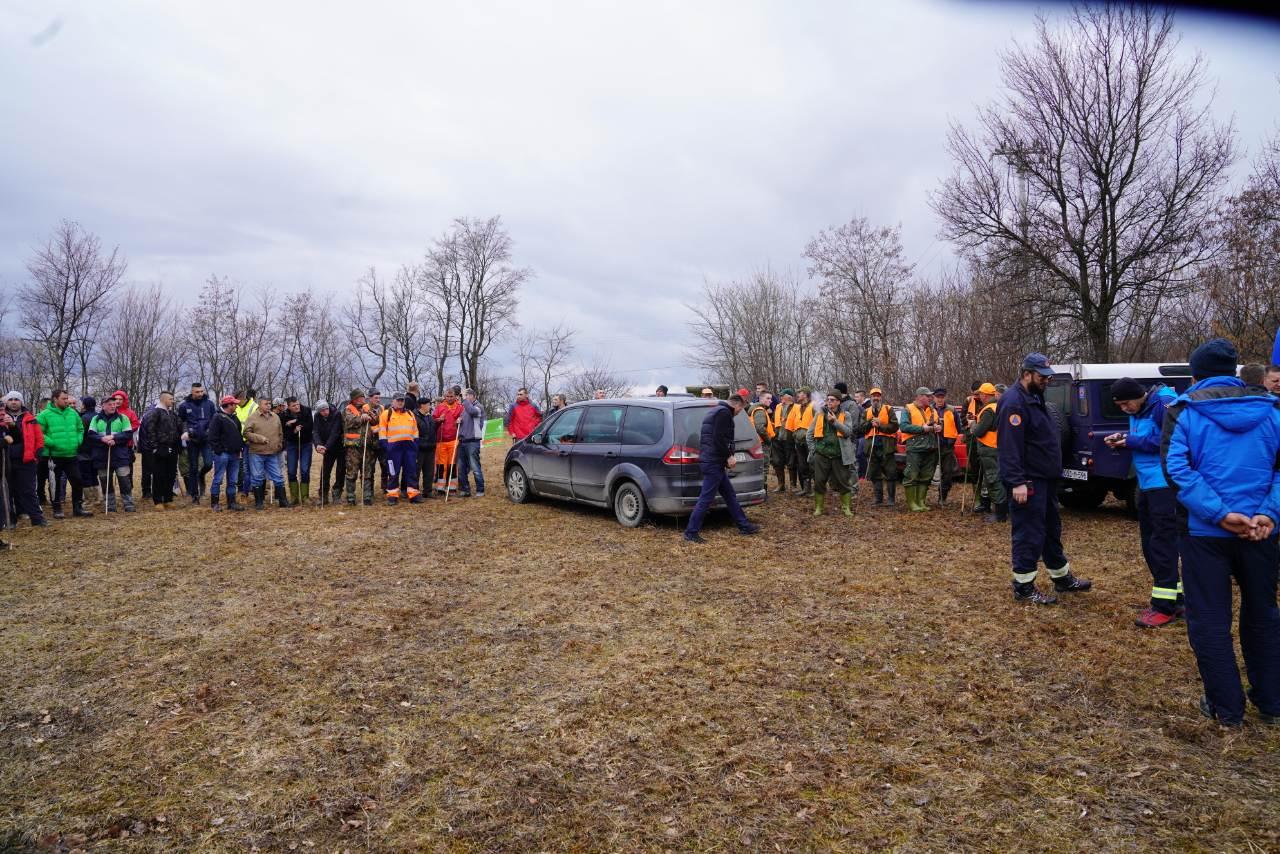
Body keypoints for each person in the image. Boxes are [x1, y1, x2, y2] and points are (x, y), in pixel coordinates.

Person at [1162, 338, 1280, 726]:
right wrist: (1267, 515)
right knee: (1263, 615)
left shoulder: (1183, 412)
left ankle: (1225, 708)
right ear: (1234, 373)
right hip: (1260, 534)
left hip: (1204, 534)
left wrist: (1220, 515)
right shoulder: (1272, 411)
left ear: (1194, 374)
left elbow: (1177, 471)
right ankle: (1271, 700)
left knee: (1210, 620)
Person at [999, 353, 1092, 604]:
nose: (1046, 381)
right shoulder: (1014, 403)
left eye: (1048, 376)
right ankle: (1024, 586)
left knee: (1051, 529)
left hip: (1046, 479)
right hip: (1028, 481)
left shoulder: (1035, 397)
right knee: (1029, 532)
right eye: (1042, 376)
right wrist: (1017, 481)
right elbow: (1009, 446)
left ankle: (1061, 578)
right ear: (1027, 373)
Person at [1104, 377, 1182, 628]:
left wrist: (1131, 441)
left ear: (1139, 395)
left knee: (1161, 544)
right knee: (1150, 543)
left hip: (1164, 485)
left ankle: (1164, 607)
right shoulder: (1141, 408)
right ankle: (1176, 597)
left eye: (1127, 403)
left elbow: (1168, 442)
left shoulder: (1163, 405)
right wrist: (1123, 438)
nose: (1125, 409)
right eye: (1120, 406)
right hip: (1147, 484)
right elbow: (1143, 438)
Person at [682, 394, 760, 543]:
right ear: (737, 405)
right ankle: (691, 532)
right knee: (706, 498)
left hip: (712, 461)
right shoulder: (724, 413)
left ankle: (744, 526)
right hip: (713, 462)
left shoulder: (716, 411)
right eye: (741, 409)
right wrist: (728, 457)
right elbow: (718, 438)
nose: (739, 412)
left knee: (729, 495)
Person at [35, 389, 92, 520]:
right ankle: (57, 508)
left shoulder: (73, 413)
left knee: (77, 480)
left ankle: (78, 508)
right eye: (64, 399)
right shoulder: (44, 415)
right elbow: (38, 433)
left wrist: (78, 441)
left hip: (71, 455)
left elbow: (80, 428)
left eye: (67, 398)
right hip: (54, 456)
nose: (67, 401)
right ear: (55, 399)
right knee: (55, 484)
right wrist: (52, 443)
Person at [806, 391, 856, 517]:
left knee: (844, 482)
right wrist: (814, 450)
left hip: (839, 455)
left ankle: (846, 508)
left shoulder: (846, 415)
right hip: (821, 455)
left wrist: (835, 422)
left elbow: (848, 432)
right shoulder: (819, 414)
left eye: (833, 400)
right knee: (819, 482)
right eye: (828, 399)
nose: (829, 402)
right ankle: (819, 508)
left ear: (839, 402)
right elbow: (809, 435)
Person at [2, 392, 48, 526]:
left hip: (27, 460)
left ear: (21, 402)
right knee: (7, 490)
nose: (14, 402)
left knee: (29, 490)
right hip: (6, 460)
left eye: (17, 399)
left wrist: (37, 454)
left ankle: (37, 518)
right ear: (6, 402)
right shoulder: (2, 418)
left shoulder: (30, 418)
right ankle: (9, 520)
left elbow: (39, 437)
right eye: (10, 399)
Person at [87, 394, 135, 513]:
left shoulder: (123, 418)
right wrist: (102, 439)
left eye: (114, 404)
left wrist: (114, 438)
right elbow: (91, 435)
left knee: (124, 480)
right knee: (105, 481)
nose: (113, 406)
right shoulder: (96, 419)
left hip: (120, 455)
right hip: (101, 456)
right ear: (103, 406)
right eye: (109, 404)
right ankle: (110, 505)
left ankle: (128, 504)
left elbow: (128, 434)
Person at [243, 393, 289, 510]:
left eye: (269, 404)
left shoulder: (275, 417)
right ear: (260, 405)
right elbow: (246, 433)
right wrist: (259, 438)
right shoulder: (252, 417)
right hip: (257, 452)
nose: (269, 406)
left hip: (273, 453)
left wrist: (280, 444)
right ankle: (259, 502)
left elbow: (280, 432)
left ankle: (283, 501)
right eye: (266, 404)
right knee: (258, 477)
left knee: (278, 476)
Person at [899, 387, 941, 513]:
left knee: (926, 476)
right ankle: (912, 503)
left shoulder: (932, 410)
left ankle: (921, 502)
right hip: (915, 448)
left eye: (930, 396)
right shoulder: (907, 409)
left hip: (930, 447)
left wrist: (938, 427)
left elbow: (936, 424)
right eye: (928, 396)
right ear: (920, 396)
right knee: (911, 475)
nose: (930, 398)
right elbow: (904, 426)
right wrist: (922, 429)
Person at [139, 391, 183, 510]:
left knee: (170, 474)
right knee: (159, 475)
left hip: (173, 448)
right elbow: (150, 430)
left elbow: (180, 426)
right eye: (171, 399)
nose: (173, 401)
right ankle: (158, 500)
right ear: (163, 399)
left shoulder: (173, 414)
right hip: (160, 448)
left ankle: (168, 499)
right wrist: (155, 447)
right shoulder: (155, 413)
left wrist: (184, 434)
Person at [969, 383, 1006, 522]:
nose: (978, 397)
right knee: (993, 478)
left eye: (980, 394)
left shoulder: (989, 410)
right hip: (997, 448)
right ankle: (998, 509)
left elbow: (979, 431)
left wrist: (973, 425)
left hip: (989, 449)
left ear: (985, 395)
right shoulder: (999, 406)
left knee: (993, 479)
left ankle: (1000, 515)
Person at [378, 393, 422, 504]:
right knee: (393, 473)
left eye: (402, 400)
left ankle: (413, 495)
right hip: (393, 449)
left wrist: (415, 445)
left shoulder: (410, 414)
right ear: (393, 401)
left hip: (409, 448)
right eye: (398, 400)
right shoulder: (386, 414)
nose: (400, 402)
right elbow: (382, 433)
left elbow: (415, 431)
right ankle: (392, 496)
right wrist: (387, 447)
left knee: (411, 471)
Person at [177, 382, 216, 504]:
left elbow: (214, 420)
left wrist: (210, 431)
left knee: (209, 463)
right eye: (197, 392)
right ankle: (194, 495)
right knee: (193, 467)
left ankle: (201, 475)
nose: (200, 394)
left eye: (201, 391)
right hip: (192, 440)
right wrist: (185, 432)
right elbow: (181, 421)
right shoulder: (184, 405)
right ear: (192, 392)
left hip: (206, 439)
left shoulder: (209, 404)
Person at [207, 394, 246, 512]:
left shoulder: (235, 418)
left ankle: (232, 502)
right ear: (228, 405)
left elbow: (238, 434)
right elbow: (212, 436)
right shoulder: (217, 417)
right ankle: (214, 503)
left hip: (234, 454)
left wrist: (239, 449)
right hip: (222, 454)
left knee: (233, 480)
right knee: (218, 479)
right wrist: (219, 450)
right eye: (234, 404)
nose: (236, 406)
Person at [342, 389, 377, 506]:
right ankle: (351, 497)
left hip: (367, 446)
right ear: (355, 399)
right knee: (352, 472)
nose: (364, 399)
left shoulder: (367, 408)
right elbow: (349, 421)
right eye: (361, 397)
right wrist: (361, 418)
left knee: (367, 471)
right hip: (353, 447)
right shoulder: (348, 409)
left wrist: (371, 415)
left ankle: (367, 496)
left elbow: (376, 421)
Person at [865, 387, 899, 507]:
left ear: (881, 397)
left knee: (891, 473)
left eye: (877, 395)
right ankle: (878, 499)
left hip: (887, 446)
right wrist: (870, 424)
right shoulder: (866, 411)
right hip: (872, 446)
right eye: (873, 396)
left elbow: (895, 426)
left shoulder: (888, 409)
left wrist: (880, 426)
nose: (875, 398)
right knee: (875, 473)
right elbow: (859, 428)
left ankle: (891, 499)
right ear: (870, 397)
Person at [282, 396, 314, 505]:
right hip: (292, 445)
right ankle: (294, 497)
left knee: (304, 470)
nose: (297, 407)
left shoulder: (307, 410)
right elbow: (285, 433)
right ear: (289, 407)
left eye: (297, 404)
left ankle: (305, 496)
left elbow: (310, 425)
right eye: (294, 406)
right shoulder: (285, 415)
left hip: (306, 444)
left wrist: (295, 422)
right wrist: (294, 430)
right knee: (291, 471)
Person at [932, 388, 961, 506]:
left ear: (945, 397)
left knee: (948, 474)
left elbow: (958, 428)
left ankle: (942, 497)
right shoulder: (929, 409)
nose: (940, 399)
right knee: (927, 473)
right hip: (932, 446)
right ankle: (921, 499)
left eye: (942, 397)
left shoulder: (952, 410)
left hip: (947, 447)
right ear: (934, 397)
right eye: (937, 397)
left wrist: (952, 438)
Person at [312, 400, 345, 505]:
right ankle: (323, 495)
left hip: (340, 447)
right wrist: (318, 444)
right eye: (322, 410)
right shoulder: (317, 416)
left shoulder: (336, 414)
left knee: (340, 471)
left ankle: (337, 493)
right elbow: (315, 431)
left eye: (326, 409)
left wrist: (326, 446)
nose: (325, 412)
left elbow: (335, 433)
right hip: (327, 448)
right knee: (325, 472)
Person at [432, 389, 464, 495]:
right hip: (441, 440)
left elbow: (465, 418)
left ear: (455, 397)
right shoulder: (440, 407)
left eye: (451, 396)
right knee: (441, 464)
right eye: (447, 396)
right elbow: (433, 420)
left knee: (452, 464)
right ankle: (440, 487)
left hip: (454, 439)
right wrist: (438, 420)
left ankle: (452, 487)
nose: (449, 398)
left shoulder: (460, 407)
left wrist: (461, 419)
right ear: (445, 397)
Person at [786, 388, 816, 496]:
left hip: (811, 441)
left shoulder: (814, 406)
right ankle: (806, 489)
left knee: (813, 465)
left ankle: (817, 489)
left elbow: (820, 422)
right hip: (799, 441)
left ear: (806, 394)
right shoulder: (798, 408)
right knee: (802, 465)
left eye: (800, 393)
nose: (798, 395)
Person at [457, 388, 485, 498]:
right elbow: (465, 422)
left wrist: (464, 401)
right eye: (464, 396)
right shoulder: (465, 409)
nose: (464, 398)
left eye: (466, 395)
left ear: (473, 396)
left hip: (473, 441)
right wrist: (458, 421)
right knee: (461, 467)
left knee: (475, 466)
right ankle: (465, 489)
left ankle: (480, 490)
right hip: (463, 440)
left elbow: (473, 412)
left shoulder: (478, 407)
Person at [770, 389, 797, 493]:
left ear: (789, 397)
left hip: (789, 439)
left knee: (792, 463)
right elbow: (773, 420)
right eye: (780, 396)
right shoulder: (778, 406)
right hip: (777, 439)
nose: (780, 398)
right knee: (777, 462)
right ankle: (781, 485)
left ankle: (793, 485)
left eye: (782, 396)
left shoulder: (796, 407)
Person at [412, 395, 437, 498]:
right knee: (416, 471)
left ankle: (428, 490)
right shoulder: (414, 417)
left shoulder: (429, 417)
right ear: (422, 405)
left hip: (430, 448)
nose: (430, 406)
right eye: (428, 404)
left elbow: (433, 431)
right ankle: (415, 491)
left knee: (429, 471)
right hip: (419, 449)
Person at [77, 396, 97, 504]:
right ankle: (97, 498)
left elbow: (81, 434)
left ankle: (89, 499)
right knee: (94, 475)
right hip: (96, 451)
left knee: (85, 475)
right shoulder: (98, 416)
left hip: (84, 452)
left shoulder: (84, 418)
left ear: (84, 405)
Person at [747, 392, 774, 474]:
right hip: (762, 443)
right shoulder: (759, 411)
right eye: (768, 398)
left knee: (759, 468)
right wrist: (768, 441)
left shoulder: (757, 409)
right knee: (764, 468)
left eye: (771, 399)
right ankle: (763, 487)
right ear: (761, 399)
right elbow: (760, 428)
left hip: (756, 442)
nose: (770, 401)